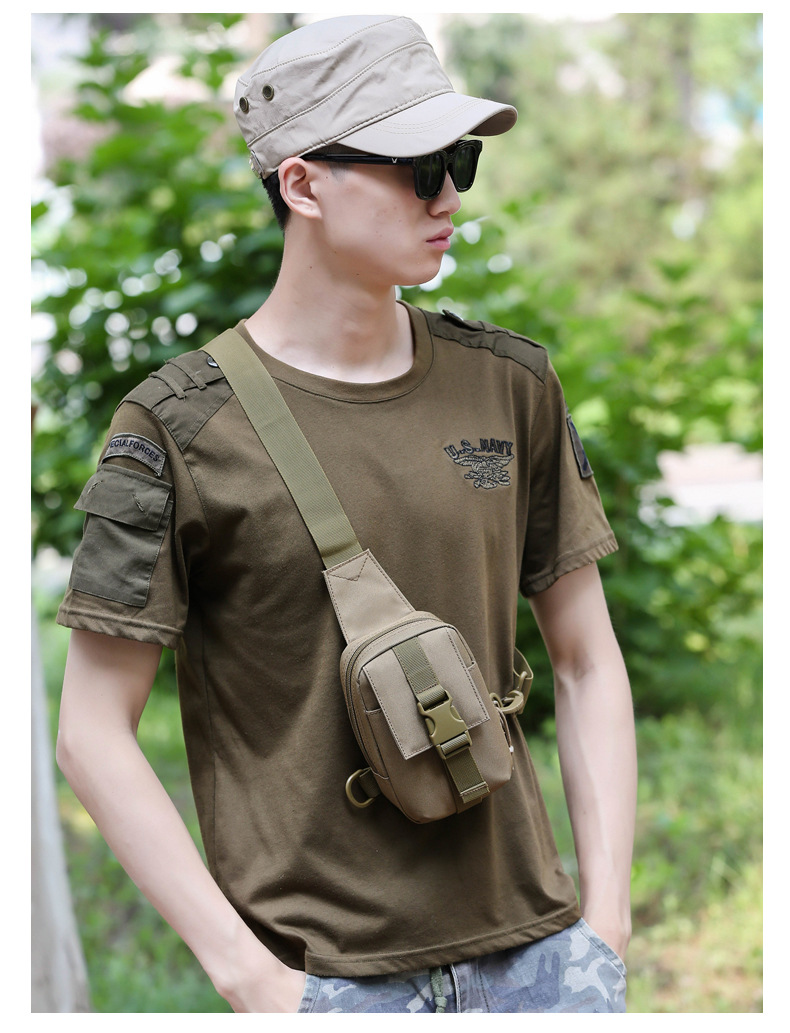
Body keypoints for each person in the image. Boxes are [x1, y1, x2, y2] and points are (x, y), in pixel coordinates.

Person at [55, 14, 637, 1014]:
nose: (449, 195)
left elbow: (585, 660)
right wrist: (255, 980)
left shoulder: (510, 386)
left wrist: (605, 931)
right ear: (302, 184)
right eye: (419, 167)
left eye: (460, 161)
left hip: (541, 962)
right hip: (324, 980)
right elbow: (91, 730)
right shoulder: (178, 427)